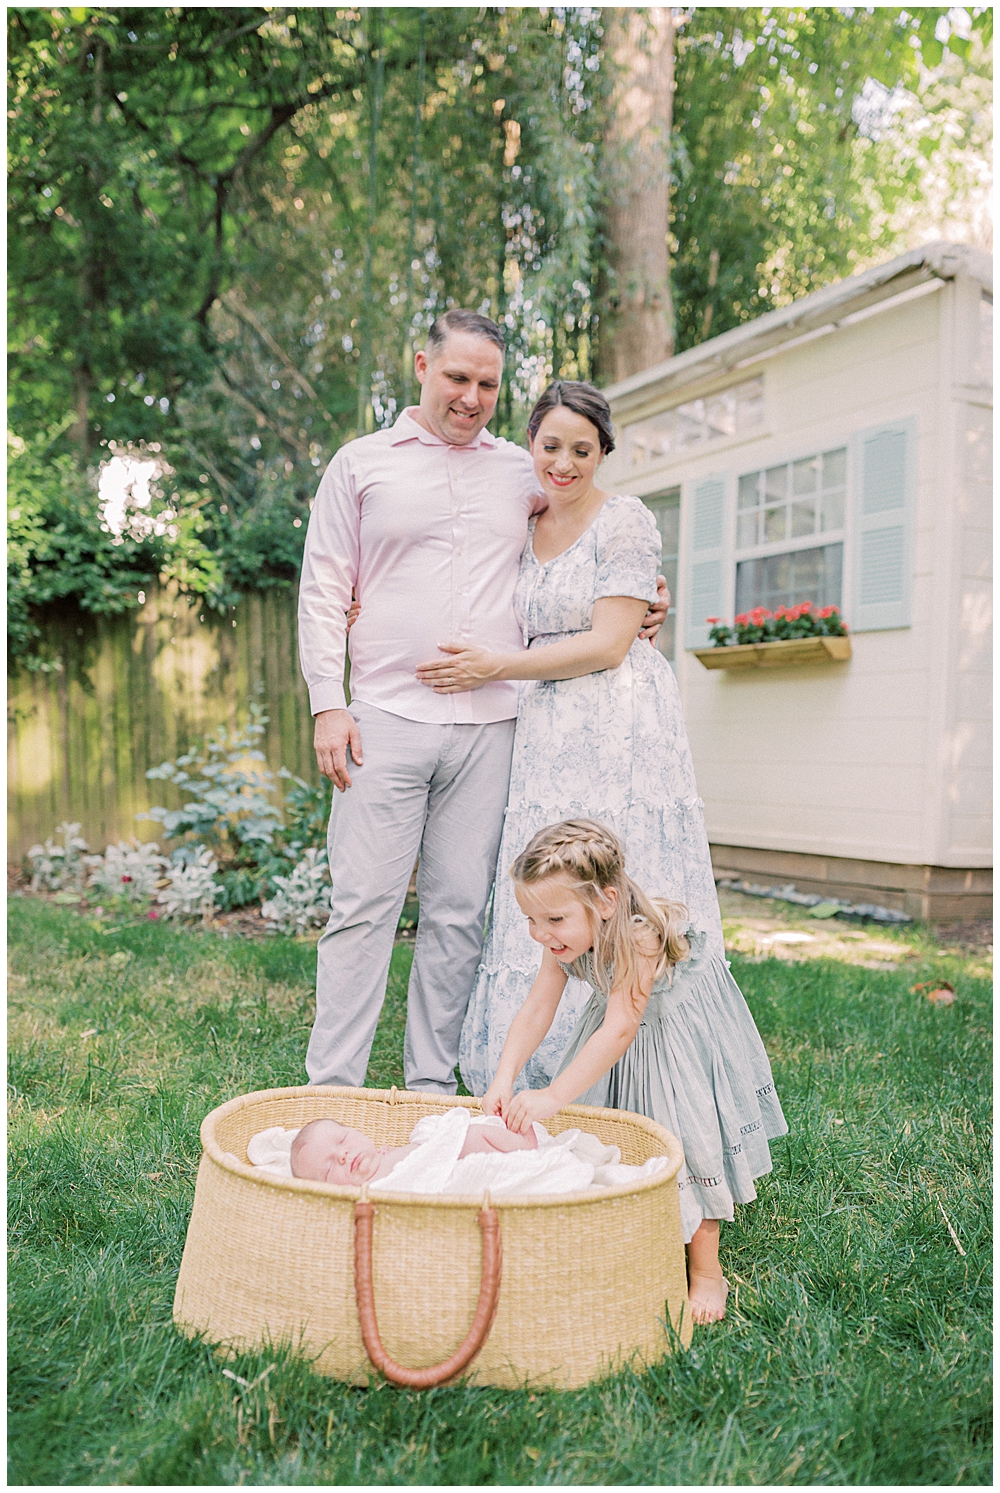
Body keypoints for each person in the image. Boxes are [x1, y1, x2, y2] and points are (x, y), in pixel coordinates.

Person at [298, 313, 666, 1094]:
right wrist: (329, 703)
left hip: (493, 728)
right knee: (364, 911)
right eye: (457, 378)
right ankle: (331, 1089)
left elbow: (587, 525)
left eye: (488, 384)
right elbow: (324, 588)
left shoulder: (521, 471)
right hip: (383, 722)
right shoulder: (361, 465)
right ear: (423, 366)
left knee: (461, 917)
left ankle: (431, 1088)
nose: (471, 397)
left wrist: (646, 600)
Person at [415, 379, 723, 1096]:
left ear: (603, 452)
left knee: (615, 874)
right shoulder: (522, 523)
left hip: (620, 723)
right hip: (546, 730)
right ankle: (535, 1068)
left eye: (582, 449)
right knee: (552, 878)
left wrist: (496, 666)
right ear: (530, 446)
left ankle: (640, 1066)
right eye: (550, 446)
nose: (564, 463)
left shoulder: (625, 521)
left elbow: (613, 641)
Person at [480, 818, 788, 1324]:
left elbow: (622, 1028)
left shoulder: (641, 939)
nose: (541, 933)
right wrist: (503, 1077)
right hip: (621, 1022)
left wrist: (553, 1095)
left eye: (553, 920)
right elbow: (539, 1006)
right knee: (612, 1123)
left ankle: (708, 1270)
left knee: (687, 1137)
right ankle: (632, 1211)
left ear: (605, 902)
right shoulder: (561, 936)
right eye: (531, 920)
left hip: (675, 1032)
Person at [290, 1114, 538, 1186]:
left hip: (441, 1153)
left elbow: (417, 1150)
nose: (342, 1155)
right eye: (329, 1166)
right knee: (470, 1139)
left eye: (342, 1139)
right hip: (447, 1174)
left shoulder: (381, 1155)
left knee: (469, 1133)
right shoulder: (369, 1191)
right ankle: (525, 1151)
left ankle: (520, 1147)